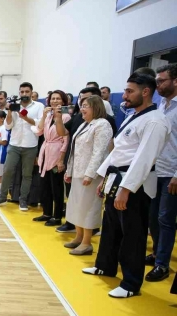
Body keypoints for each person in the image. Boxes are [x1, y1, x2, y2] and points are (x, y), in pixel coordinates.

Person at [82, 73, 170, 298]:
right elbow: (118, 151)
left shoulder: (155, 120)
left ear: (146, 92)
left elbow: (144, 158)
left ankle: (130, 283)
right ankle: (106, 265)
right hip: (116, 177)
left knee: (133, 233)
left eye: (130, 91)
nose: (126, 95)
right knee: (111, 226)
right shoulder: (135, 116)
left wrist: (126, 189)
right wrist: (102, 178)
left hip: (135, 184)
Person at [60, 95, 113, 255]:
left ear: (95, 107)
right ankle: (78, 236)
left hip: (91, 174)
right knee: (76, 205)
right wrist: (69, 170)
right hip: (77, 171)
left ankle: (87, 242)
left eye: (86, 106)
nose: (82, 109)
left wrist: (90, 174)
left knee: (88, 207)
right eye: (81, 105)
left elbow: (99, 152)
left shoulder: (103, 125)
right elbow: (74, 150)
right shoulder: (85, 124)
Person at [0, 82, 44, 210]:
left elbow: (39, 125)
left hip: (30, 145)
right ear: (19, 93)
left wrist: (23, 117)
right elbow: (8, 126)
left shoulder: (38, 106)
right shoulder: (14, 106)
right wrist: (9, 111)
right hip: (14, 144)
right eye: (22, 92)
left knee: (27, 175)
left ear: (31, 92)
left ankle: (23, 200)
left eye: (27, 91)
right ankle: (2, 197)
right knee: (7, 171)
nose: (24, 94)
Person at [146, 63, 177, 282]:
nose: (157, 85)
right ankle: (157, 252)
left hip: (171, 173)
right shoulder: (161, 106)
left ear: (175, 81)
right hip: (156, 169)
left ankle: (162, 264)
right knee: (153, 218)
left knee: (166, 219)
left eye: (161, 81)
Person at [32, 90, 70, 227]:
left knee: (57, 187)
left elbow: (66, 140)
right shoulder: (48, 116)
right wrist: (43, 115)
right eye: (52, 98)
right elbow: (39, 130)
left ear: (63, 101)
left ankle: (57, 216)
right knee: (45, 185)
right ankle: (47, 212)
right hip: (46, 152)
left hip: (57, 152)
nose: (55, 101)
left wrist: (61, 160)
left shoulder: (66, 117)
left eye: (58, 99)